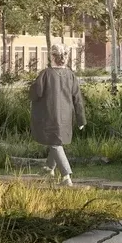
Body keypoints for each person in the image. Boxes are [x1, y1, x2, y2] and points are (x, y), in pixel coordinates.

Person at [29, 44, 85, 186]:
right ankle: (49, 169)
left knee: (55, 144)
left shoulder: (45, 74)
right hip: (66, 117)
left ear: (51, 56)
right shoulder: (71, 75)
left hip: (49, 116)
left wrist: (33, 85)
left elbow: (35, 94)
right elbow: (77, 99)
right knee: (56, 142)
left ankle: (66, 176)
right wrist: (81, 119)